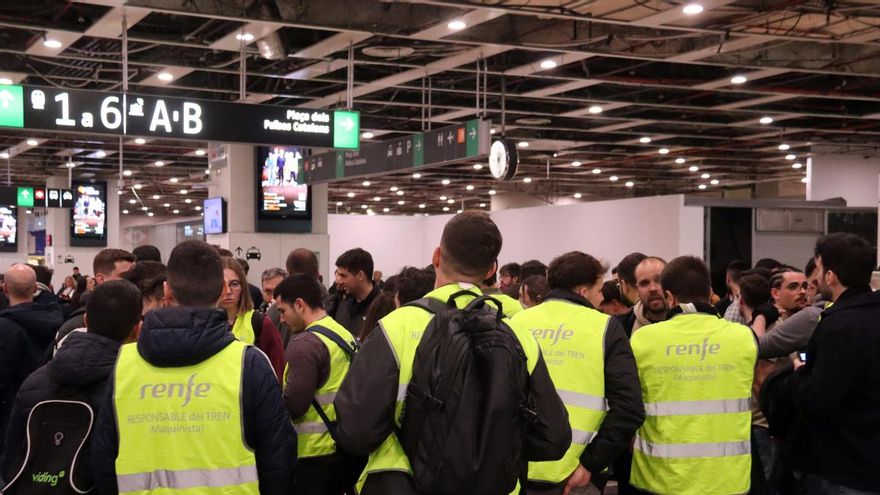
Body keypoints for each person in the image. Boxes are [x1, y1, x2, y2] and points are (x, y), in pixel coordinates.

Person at [334, 212, 571, 494]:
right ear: (490, 270)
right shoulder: (518, 334)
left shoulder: (398, 327)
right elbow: (553, 438)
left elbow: (356, 433)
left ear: (436, 256)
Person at [90, 240, 296, 495]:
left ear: (166, 291)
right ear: (222, 290)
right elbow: (279, 460)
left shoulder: (124, 364)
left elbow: (103, 460)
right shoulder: (249, 363)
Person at [513, 251, 645, 495]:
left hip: (516, 471)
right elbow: (629, 408)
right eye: (598, 290)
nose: (601, 297)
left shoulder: (517, 323)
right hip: (576, 476)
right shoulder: (605, 328)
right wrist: (590, 464)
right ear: (584, 292)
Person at [629, 256, 757, 495]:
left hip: (660, 479)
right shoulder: (743, 338)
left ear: (669, 297)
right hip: (727, 480)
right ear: (710, 292)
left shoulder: (643, 340)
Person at [770, 233, 880, 494]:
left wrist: (799, 374)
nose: (813, 280)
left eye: (817, 269)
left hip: (842, 467)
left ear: (831, 275)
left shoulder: (838, 325)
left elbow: (817, 401)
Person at [0, 280, 142, 482]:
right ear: (137, 329)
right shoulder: (133, 387)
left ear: (85, 320)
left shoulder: (36, 379)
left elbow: (11, 456)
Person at [274, 274, 365, 494]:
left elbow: (294, 406)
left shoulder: (305, 344)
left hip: (315, 456)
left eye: (282, 311)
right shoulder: (342, 333)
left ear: (299, 305)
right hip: (344, 448)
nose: (282, 320)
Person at [0, 264, 61, 456]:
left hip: (10, 414)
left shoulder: (5, 328)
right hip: (50, 409)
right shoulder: (59, 320)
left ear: (4, 288)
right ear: (35, 288)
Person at [220, 257, 285, 381]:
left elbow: (277, 372)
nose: (228, 291)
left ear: (243, 286)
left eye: (234, 284)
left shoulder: (260, 323)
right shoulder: (202, 323)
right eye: (221, 285)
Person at [55, 249, 136, 347]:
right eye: (126, 276)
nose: (134, 281)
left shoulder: (138, 316)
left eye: (135, 276)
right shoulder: (74, 328)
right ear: (101, 279)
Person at [331, 248, 380, 337]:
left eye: (343, 275)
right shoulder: (341, 305)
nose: (338, 281)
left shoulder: (382, 308)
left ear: (360, 276)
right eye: (337, 274)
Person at [617, 257, 668, 337]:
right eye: (644, 283)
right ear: (637, 289)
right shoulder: (621, 327)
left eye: (659, 280)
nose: (653, 288)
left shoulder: (689, 320)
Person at [259, 267, 291, 346]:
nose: (273, 297)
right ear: (262, 291)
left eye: (278, 291)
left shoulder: (293, 318)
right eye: (268, 292)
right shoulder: (258, 313)